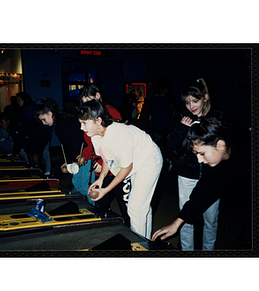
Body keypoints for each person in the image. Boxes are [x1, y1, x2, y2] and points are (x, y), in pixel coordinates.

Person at [152, 117, 252, 250]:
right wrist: (177, 223)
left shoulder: (247, 150)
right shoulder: (213, 165)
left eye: (202, 153)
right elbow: (202, 193)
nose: (199, 160)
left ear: (220, 145)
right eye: (196, 154)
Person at [77, 100, 163, 239]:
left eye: (84, 123)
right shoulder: (95, 136)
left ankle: (139, 245)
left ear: (98, 121)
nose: (82, 128)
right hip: (135, 159)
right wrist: (101, 178)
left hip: (149, 159)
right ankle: (145, 241)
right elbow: (107, 157)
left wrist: (106, 189)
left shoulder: (119, 135)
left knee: (135, 207)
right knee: (141, 207)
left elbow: (126, 167)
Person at [167, 78, 225, 250]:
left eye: (195, 100)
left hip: (212, 177)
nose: (191, 106)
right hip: (187, 175)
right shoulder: (182, 118)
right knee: (186, 219)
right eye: (187, 102)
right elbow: (173, 148)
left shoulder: (217, 118)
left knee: (211, 219)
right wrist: (185, 130)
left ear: (205, 97)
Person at [77, 84, 126, 220]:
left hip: (116, 165)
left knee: (123, 202)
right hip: (103, 164)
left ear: (97, 96)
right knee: (100, 199)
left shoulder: (110, 112)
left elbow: (115, 147)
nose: (87, 106)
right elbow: (91, 144)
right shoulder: (88, 119)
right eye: (84, 103)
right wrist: (85, 156)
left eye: (89, 101)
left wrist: (100, 160)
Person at [36, 98, 84, 169]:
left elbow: (74, 144)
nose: (44, 123)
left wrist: (71, 161)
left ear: (50, 114)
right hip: (80, 155)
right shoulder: (62, 120)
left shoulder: (62, 125)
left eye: (44, 119)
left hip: (82, 156)